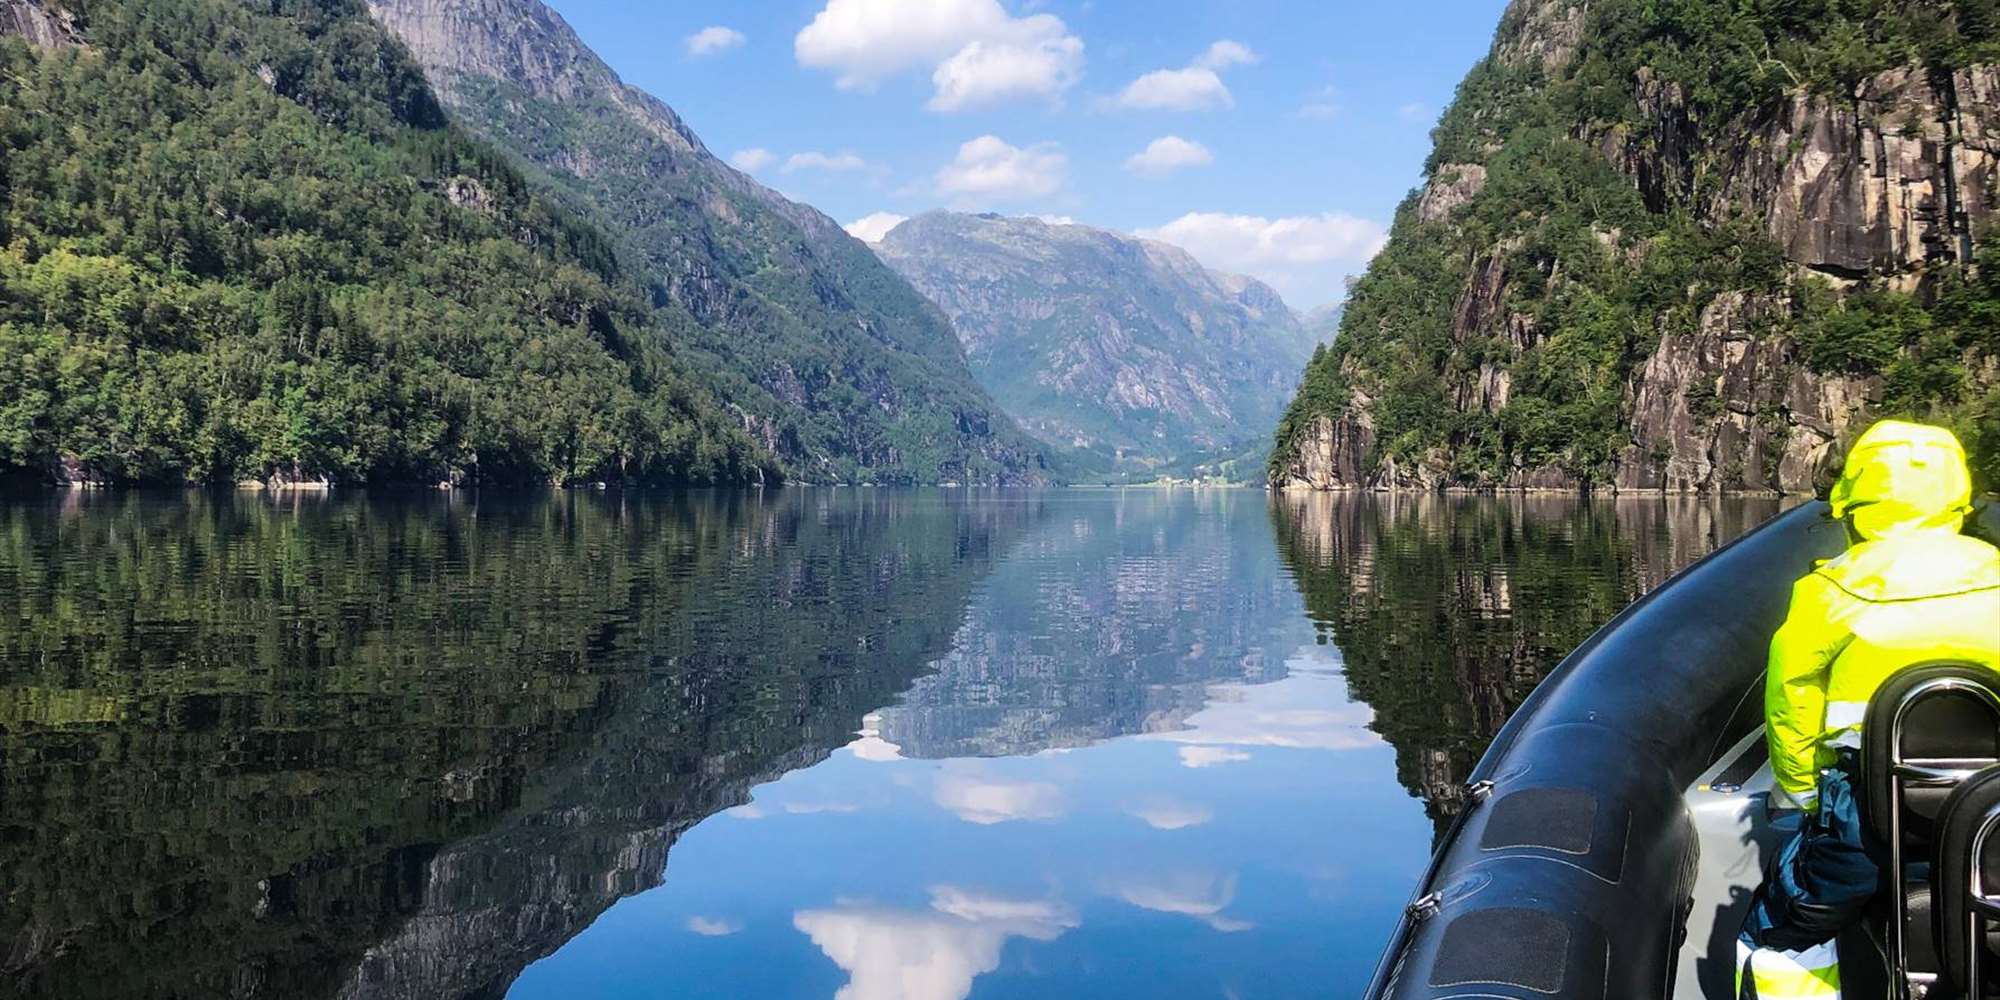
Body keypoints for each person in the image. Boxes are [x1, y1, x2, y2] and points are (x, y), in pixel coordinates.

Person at [1739, 420, 2000, 999]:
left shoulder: (1829, 590)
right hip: (1992, 822)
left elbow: (1792, 701)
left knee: (1780, 931)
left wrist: (1803, 797)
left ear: (1855, 509)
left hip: (1864, 826)